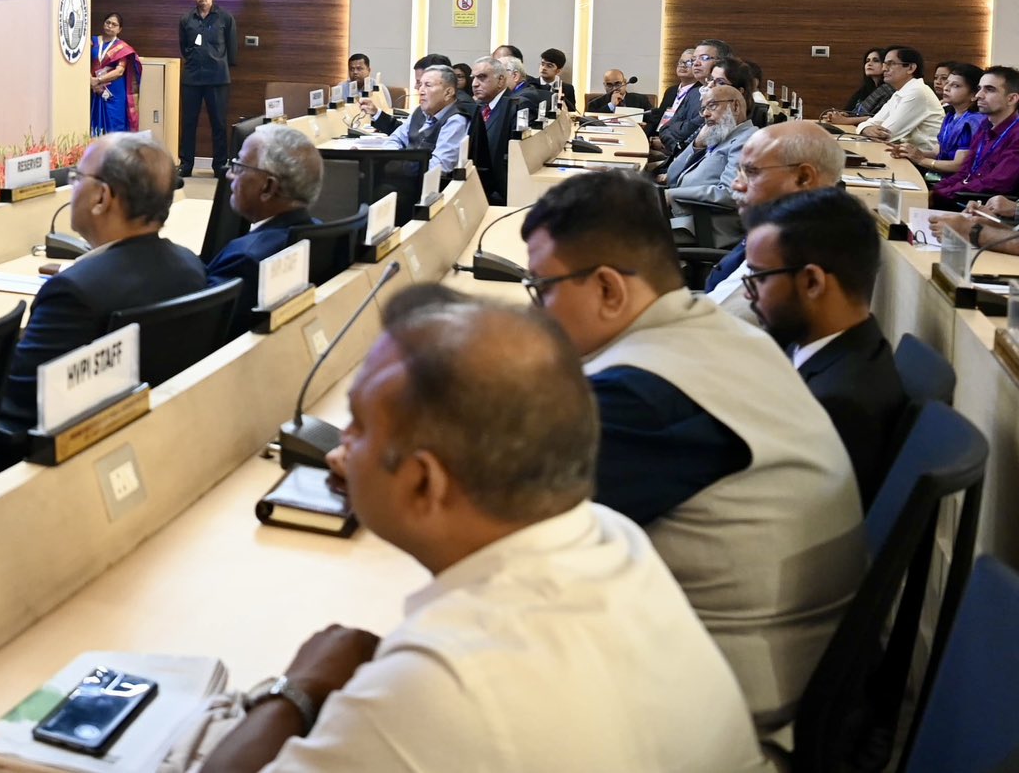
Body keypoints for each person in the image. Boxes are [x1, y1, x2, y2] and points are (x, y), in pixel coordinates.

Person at [205, 288, 770, 773]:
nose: (337, 454)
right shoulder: (613, 536)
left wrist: (296, 689)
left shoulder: (443, 683)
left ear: (426, 483)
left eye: (358, 428)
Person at [520, 170, 863, 729]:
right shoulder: (722, 335)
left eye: (543, 287)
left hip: (729, 715)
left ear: (609, 288)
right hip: (773, 665)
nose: (537, 310)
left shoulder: (644, 396)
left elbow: (509, 533)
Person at [0, 133, 206, 434]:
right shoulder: (191, 266)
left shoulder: (74, 293)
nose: (71, 187)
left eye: (77, 177)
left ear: (102, 198)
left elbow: (15, 412)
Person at [743, 188, 909, 509]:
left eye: (759, 278)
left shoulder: (838, 404)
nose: (749, 295)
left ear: (812, 283)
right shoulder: (848, 351)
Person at [701, 121, 846, 309]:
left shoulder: (788, 253)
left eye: (751, 172)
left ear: (803, 178)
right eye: (739, 172)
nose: (736, 185)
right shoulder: (780, 225)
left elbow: (716, 319)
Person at [205, 125, 322, 336]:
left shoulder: (245, 259)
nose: (230, 176)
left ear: (268, 187)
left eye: (239, 167)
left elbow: (202, 334)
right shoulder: (320, 233)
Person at [932, 66, 1019, 208]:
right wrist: (935, 190)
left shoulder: (1016, 135)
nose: (979, 95)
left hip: (980, 207)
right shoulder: (984, 126)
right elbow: (964, 172)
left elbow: (995, 184)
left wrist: (942, 193)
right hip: (961, 196)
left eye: (989, 89)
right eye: (980, 88)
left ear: (1012, 99)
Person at [361, 65, 468, 176]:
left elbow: (439, 167)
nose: (421, 91)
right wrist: (393, 159)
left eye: (428, 85)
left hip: (426, 186)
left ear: (448, 93)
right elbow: (395, 139)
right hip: (403, 177)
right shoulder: (420, 112)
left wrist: (398, 164)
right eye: (420, 85)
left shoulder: (456, 120)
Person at [663, 85, 754, 213]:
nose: (705, 113)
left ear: (735, 106)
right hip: (682, 215)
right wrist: (697, 145)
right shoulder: (720, 135)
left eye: (712, 105)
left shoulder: (747, 140)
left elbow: (730, 194)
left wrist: (672, 195)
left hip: (703, 226)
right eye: (703, 109)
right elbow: (672, 176)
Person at [179, 0, 238, 177]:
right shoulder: (186, 19)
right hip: (192, 78)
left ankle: (220, 165)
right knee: (188, 123)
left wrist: (218, 64)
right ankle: (186, 164)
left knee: (219, 124)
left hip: (217, 79)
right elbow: (184, 48)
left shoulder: (225, 18)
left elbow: (232, 49)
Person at [896, 62, 983, 180]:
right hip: (939, 176)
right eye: (947, 83)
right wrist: (908, 152)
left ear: (974, 95)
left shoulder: (972, 122)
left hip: (957, 182)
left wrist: (922, 160)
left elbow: (959, 166)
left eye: (956, 86)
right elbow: (936, 153)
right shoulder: (951, 116)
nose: (946, 88)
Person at [851, 45, 943, 153]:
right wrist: (864, 128)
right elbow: (874, 121)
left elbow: (886, 134)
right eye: (885, 64)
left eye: (891, 64)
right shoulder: (900, 92)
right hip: (904, 155)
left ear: (910, 68)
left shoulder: (917, 92)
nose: (884, 68)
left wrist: (865, 128)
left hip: (922, 162)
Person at [467, 56, 515, 204]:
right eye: (473, 78)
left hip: (500, 196)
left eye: (481, 77)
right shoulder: (480, 107)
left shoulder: (514, 108)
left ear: (501, 80)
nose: (475, 84)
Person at [89, 12, 141, 134]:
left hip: (114, 91)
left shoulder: (122, 47)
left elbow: (119, 71)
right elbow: (81, 63)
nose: (110, 26)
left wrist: (98, 80)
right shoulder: (92, 41)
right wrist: (91, 81)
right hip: (94, 89)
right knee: (95, 123)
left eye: (114, 24)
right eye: (108, 22)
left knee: (115, 123)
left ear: (119, 29)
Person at [824, 47, 892, 123]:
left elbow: (879, 117)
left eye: (876, 61)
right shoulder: (865, 89)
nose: (869, 64)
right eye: (867, 61)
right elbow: (852, 112)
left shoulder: (888, 89)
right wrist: (842, 115)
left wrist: (846, 120)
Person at [587, 68, 652, 114]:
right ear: (604, 86)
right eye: (609, 85)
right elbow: (591, 120)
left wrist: (642, 130)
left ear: (625, 82)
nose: (614, 88)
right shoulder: (595, 102)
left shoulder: (641, 100)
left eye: (618, 84)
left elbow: (652, 121)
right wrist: (611, 105)